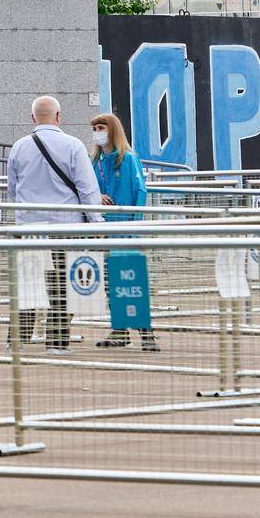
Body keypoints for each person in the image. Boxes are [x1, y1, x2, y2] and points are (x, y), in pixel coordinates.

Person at [6, 95, 102, 353]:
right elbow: (87, 188)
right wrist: (96, 224)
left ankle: (18, 340)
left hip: (28, 227)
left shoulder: (19, 147)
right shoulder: (73, 146)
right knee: (61, 284)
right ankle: (57, 341)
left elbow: (12, 189)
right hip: (65, 226)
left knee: (28, 282)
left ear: (32, 118)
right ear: (59, 117)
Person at [90, 112, 159, 352]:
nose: (98, 131)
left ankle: (146, 333)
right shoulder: (95, 162)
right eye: (95, 128)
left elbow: (140, 191)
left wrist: (135, 226)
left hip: (126, 230)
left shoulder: (127, 159)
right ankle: (119, 329)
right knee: (111, 283)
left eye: (101, 127)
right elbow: (88, 189)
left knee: (132, 280)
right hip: (106, 231)